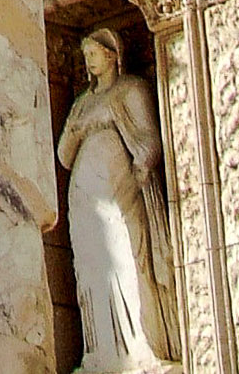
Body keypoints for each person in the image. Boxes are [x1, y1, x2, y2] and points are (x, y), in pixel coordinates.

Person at [56, 26, 181, 373]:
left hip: (121, 188)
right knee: (92, 267)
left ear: (111, 55)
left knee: (128, 257)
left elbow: (150, 141)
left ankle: (143, 344)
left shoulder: (131, 89)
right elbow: (64, 157)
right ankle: (101, 352)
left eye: (93, 54)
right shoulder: (81, 104)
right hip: (85, 197)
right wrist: (76, 130)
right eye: (85, 56)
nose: (88, 61)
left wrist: (139, 168)